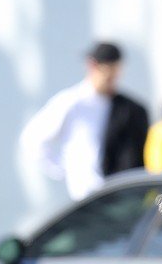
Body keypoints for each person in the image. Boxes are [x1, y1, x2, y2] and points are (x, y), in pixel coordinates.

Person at [21, 41, 150, 200]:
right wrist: (62, 169)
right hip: (86, 198)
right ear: (92, 66)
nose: (111, 78)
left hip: (119, 196)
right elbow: (33, 139)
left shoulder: (129, 109)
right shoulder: (71, 102)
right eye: (107, 71)